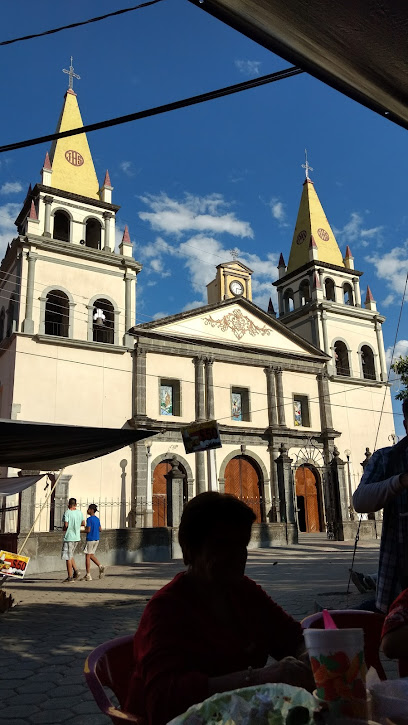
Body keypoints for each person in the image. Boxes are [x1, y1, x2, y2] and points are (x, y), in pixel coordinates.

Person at [125, 492, 314, 725]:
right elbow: (163, 700)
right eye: (222, 545)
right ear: (189, 551)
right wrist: (257, 678)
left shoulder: (245, 592)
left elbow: (291, 635)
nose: (236, 557)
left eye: (242, 545)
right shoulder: (166, 610)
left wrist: (309, 656)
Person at [353, 398, 408, 613]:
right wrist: (400, 481)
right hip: (399, 588)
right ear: (406, 425)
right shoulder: (387, 459)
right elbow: (359, 501)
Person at [61, 497, 85, 583]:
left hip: (69, 537)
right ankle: (76, 571)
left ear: (68, 504)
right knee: (70, 555)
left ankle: (70, 577)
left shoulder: (67, 512)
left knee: (67, 557)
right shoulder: (79, 512)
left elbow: (66, 525)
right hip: (77, 537)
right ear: (76, 504)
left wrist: (65, 528)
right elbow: (83, 523)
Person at [82, 503, 105, 581]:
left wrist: (81, 531)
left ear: (91, 510)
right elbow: (100, 529)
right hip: (96, 539)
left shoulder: (89, 519)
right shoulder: (97, 519)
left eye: (88, 509)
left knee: (87, 556)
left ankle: (88, 574)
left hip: (90, 539)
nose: (87, 510)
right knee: (91, 554)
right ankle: (100, 566)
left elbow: (88, 529)